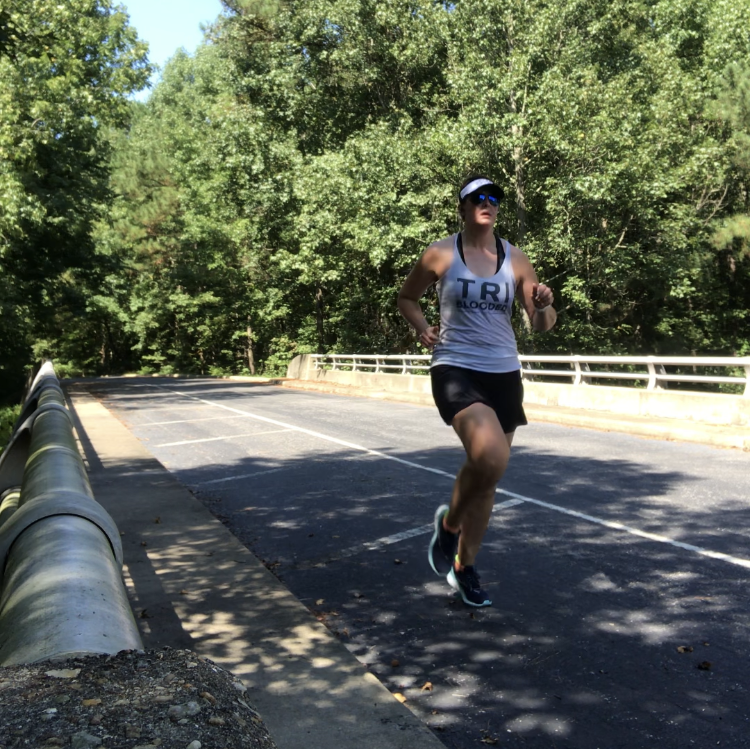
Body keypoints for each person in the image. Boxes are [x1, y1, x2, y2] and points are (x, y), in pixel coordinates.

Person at [397, 174, 556, 607]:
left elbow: (540, 324)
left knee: (488, 478)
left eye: (494, 198)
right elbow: (406, 298)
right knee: (489, 457)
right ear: (464, 207)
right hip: (455, 368)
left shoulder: (516, 259)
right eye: (478, 198)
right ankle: (449, 527)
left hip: (504, 372)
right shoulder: (441, 253)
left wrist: (543, 307)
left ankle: (464, 567)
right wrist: (422, 328)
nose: (488, 203)